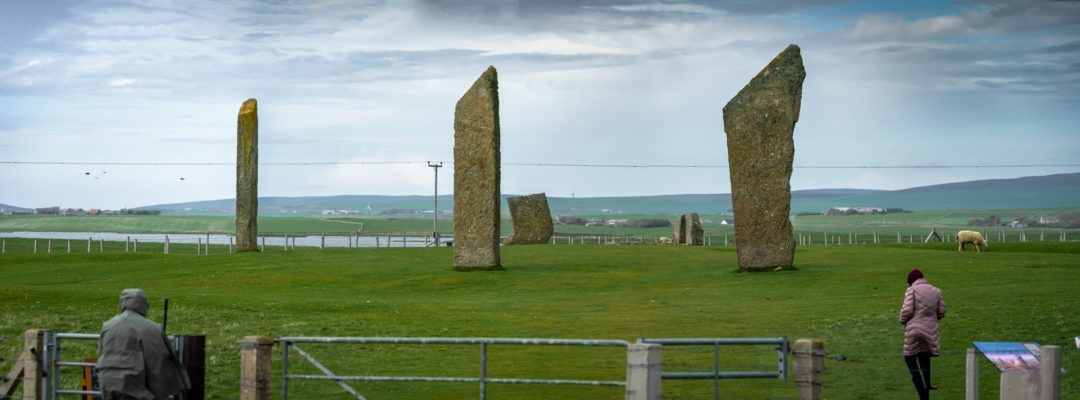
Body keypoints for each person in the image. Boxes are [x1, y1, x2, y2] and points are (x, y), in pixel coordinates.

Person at [96, 289, 191, 400]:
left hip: (108, 384)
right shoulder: (152, 328)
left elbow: (100, 351)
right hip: (136, 388)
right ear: (143, 304)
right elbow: (158, 362)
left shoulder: (108, 326)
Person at [899, 269, 946, 400]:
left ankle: (922, 395)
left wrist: (902, 321)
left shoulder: (912, 290)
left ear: (911, 281)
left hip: (914, 330)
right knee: (924, 357)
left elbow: (907, 311)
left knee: (910, 359)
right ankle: (928, 386)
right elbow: (942, 311)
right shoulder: (936, 291)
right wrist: (931, 318)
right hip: (930, 330)